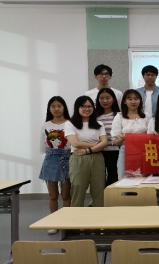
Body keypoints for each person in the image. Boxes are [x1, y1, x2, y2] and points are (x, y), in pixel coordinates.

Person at [65, 96, 108, 207]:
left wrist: (87, 150)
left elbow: (105, 142)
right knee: (78, 189)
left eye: (89, 106)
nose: (87, 109)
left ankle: (98, 216)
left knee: (99, 190)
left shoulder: (99, 124)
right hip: (78, 158)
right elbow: (75, 143)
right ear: (77, 108)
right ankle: (77, 217)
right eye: (83, 106)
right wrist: (97, 146)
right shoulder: (70, 124)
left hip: (97, 158)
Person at [39, 96, 72, 234]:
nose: (56, 109)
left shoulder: (70, 123)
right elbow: (43, 146)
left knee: (66, 194)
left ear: (64, 107)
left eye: (59, 106)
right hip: (51, 159)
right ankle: (54, 223)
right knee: (53, 195)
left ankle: (66, 222)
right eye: (53, 106)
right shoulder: (46, 125)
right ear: (49, 109)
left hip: (68, 158)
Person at [112, 89, 151, 179]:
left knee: (143, 180)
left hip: (143, 152)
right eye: (130, 99)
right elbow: (115, 142)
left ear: (140, 101)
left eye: (136, 99)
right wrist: (121, 138)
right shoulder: (119, 117)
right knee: (124, 180)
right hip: (126, 152)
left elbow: (150, 135)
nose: (133, 102)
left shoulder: (146, 116)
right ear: (124, 101)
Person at [94, 88, 121, 187]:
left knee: (114, 176)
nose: (105, 101)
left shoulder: (119, 115)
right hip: (99, 151)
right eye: (101, 98)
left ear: (113, 99)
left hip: (116, 151)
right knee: (99, 178)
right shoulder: (94, 117)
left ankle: (113, 196)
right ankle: (100, 196)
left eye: (108, 98)